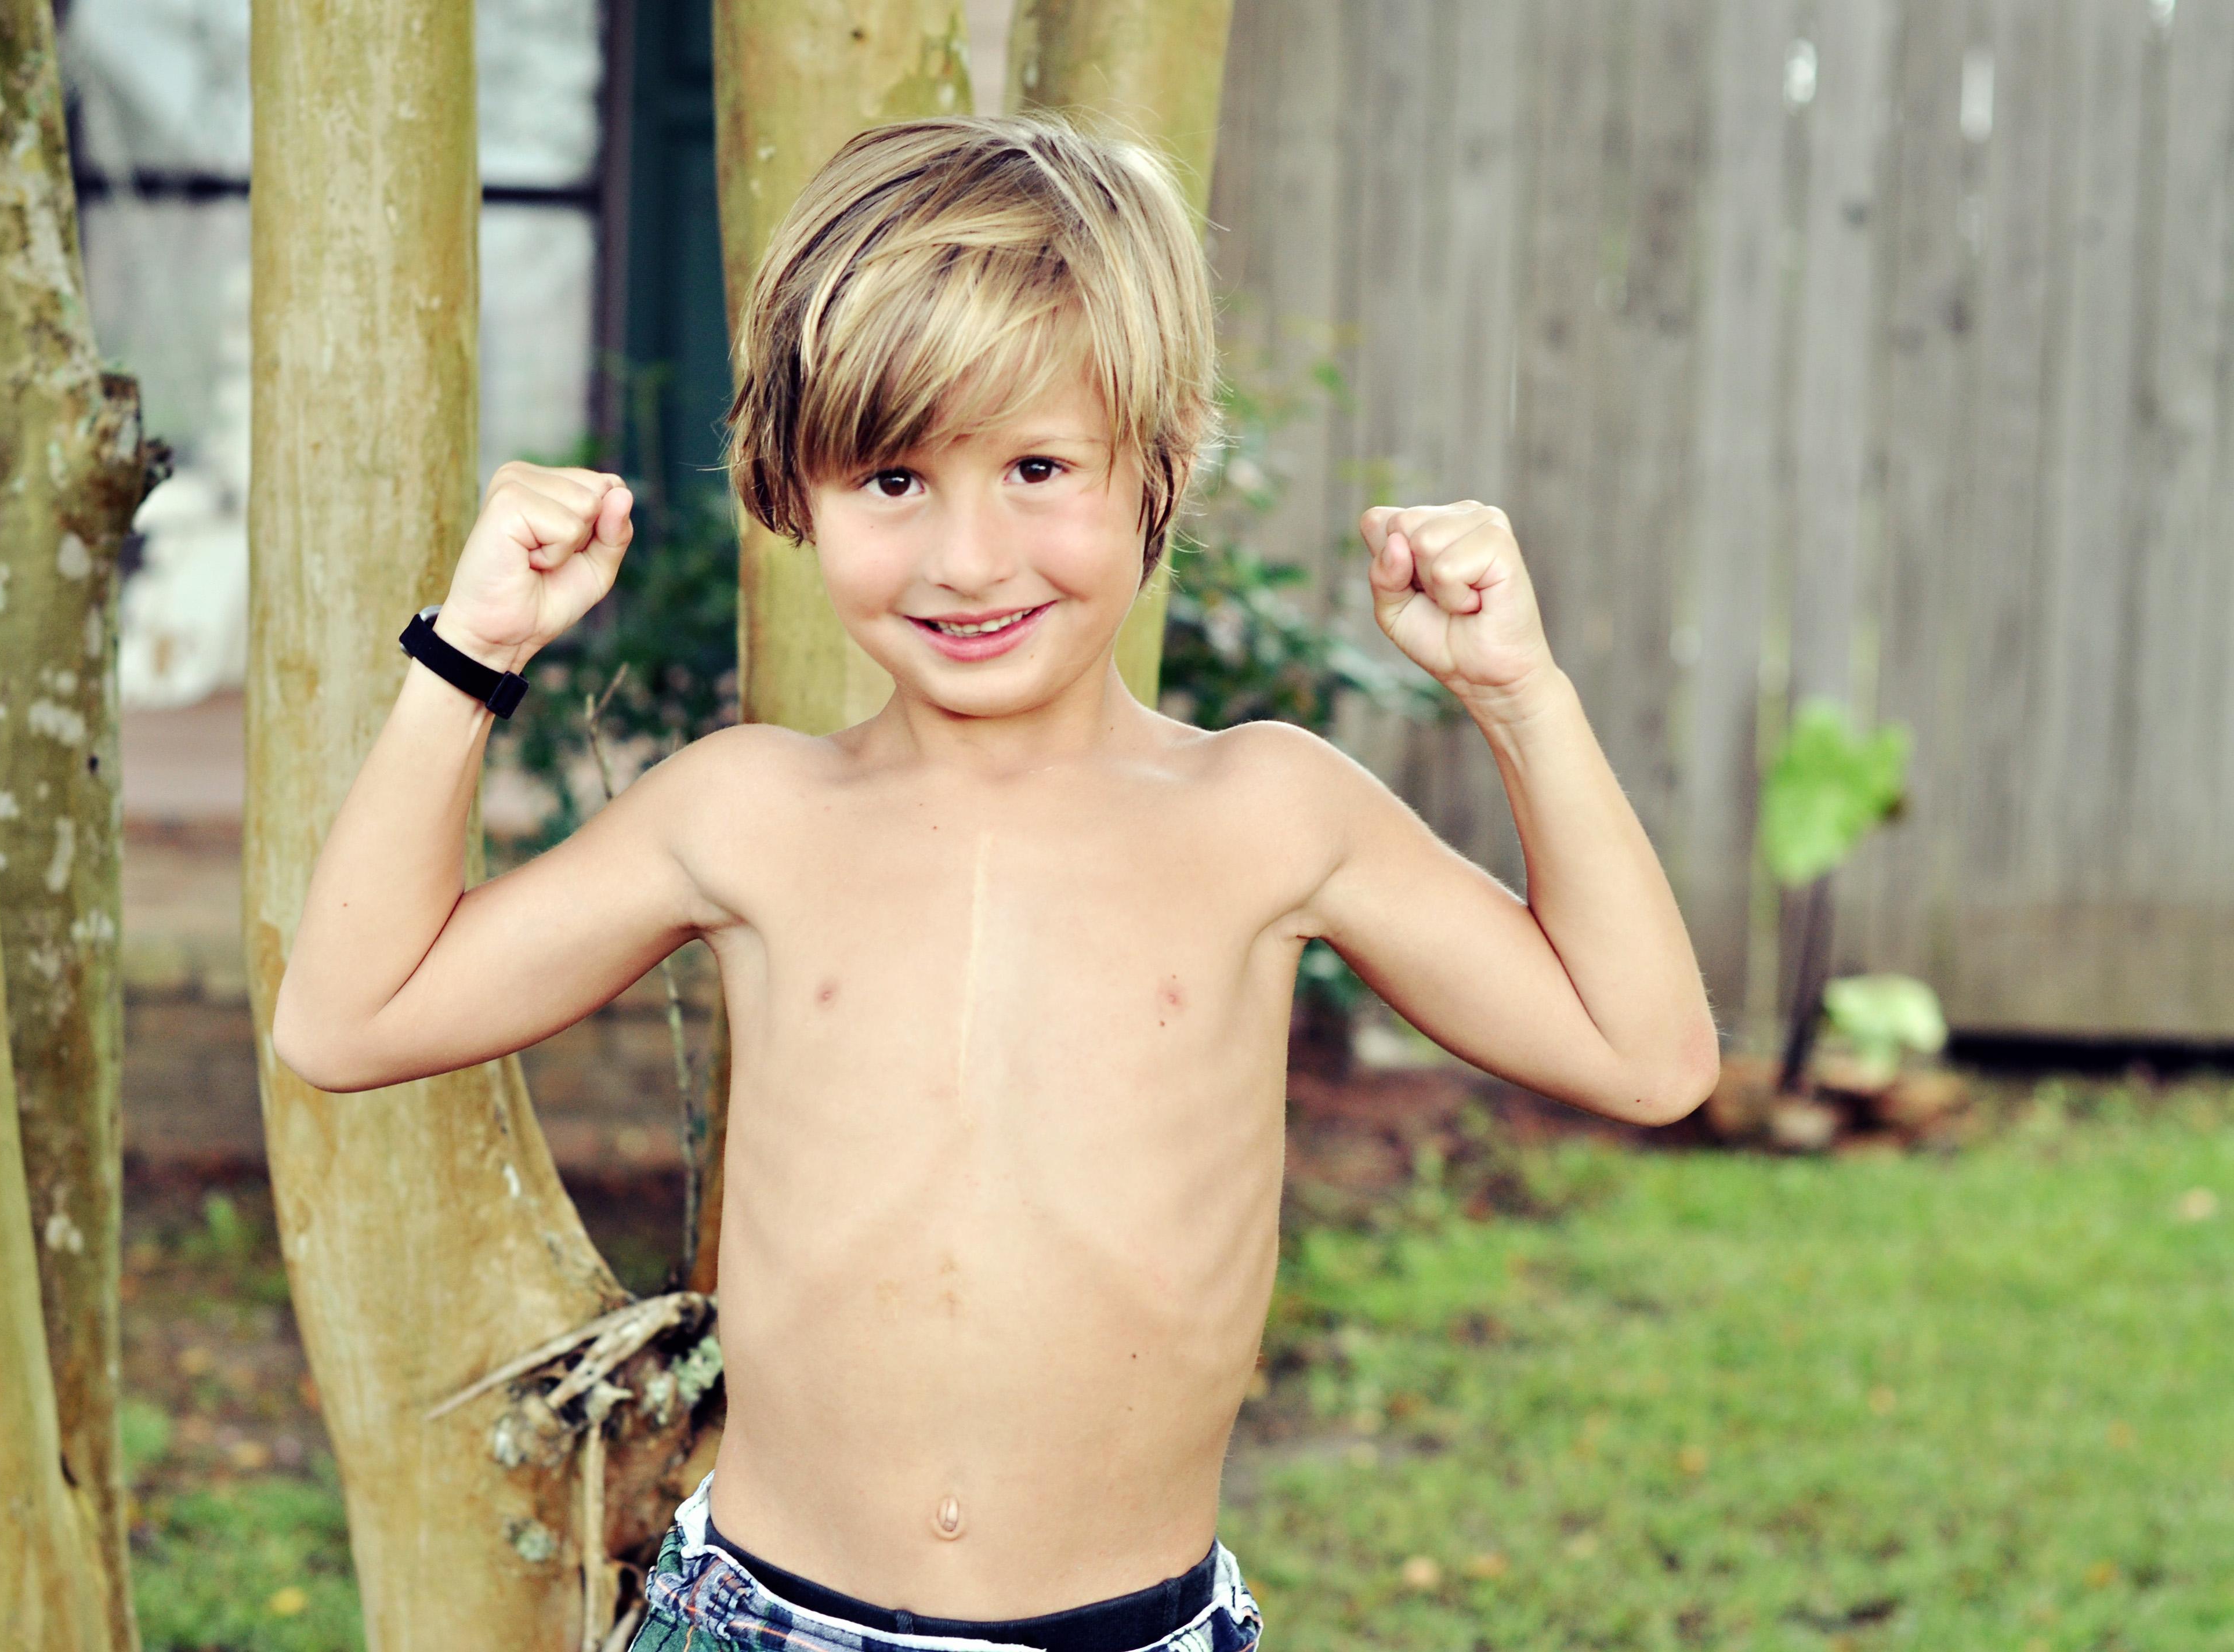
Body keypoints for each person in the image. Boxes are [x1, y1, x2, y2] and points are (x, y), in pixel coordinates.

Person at [270, 114, 1719, 1652]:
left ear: (1157, 465)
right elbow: (347, 1019)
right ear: (795, 490)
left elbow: (1647, 1054)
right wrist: (471, 652)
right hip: (756, 1625)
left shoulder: (1269, 815)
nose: (968, 558)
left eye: (1038, 467)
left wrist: (1518, 694)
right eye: (893, 480)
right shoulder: (748, 812)